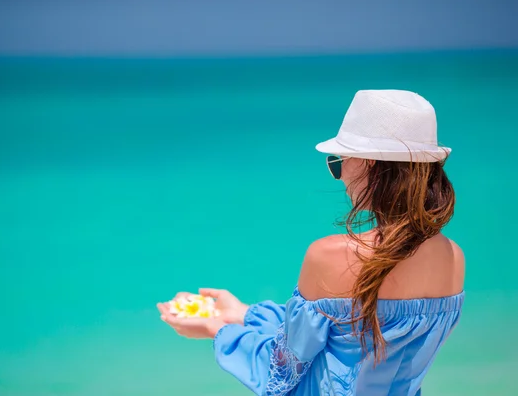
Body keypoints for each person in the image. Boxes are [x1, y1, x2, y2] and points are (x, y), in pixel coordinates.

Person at [157, 90, 465, 395]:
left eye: (337, 162)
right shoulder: (453, 258)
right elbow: (350, 334)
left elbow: (283, 370)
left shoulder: (330, 255)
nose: (339, 176)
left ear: (369, 163)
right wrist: (245, 314)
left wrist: (218, 330)